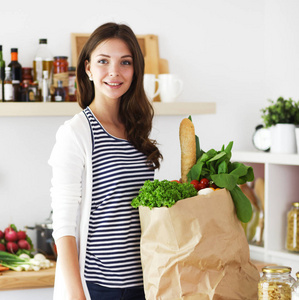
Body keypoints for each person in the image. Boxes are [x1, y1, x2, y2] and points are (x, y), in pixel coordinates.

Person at [49, 22, 163, 300]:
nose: (114, 72)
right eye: (103, 61)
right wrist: (77, 294)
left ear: (135, 70)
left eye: (125, 62)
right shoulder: (75, 133)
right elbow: (63, 223)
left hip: (149, 279)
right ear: (88, 68)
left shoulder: (137, 130)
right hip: (100, 287)